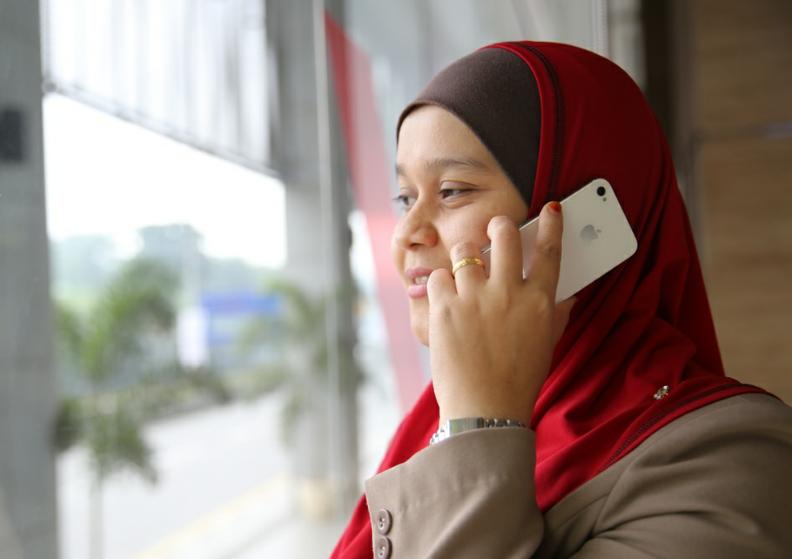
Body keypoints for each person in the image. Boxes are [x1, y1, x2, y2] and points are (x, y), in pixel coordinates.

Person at [330, 41, 792, 558]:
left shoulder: (728, 461)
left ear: (572, 220)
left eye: (453, 190)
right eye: (405, 198)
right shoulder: (431, 419)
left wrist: (478, 426)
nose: (406, 233)